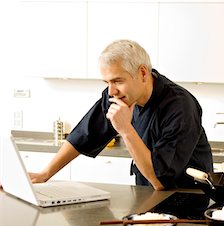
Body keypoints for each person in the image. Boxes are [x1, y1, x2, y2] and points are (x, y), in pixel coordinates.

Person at [30, 39, 213, 190]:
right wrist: (45, 174)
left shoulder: (180, 106)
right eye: (107, 82)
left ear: (142, 73)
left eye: (118, 80)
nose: (111, 91)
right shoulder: (118, 95)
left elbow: (161, 182)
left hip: (188, 202)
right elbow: (85, 134)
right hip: (149, 197)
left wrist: (125, 129)